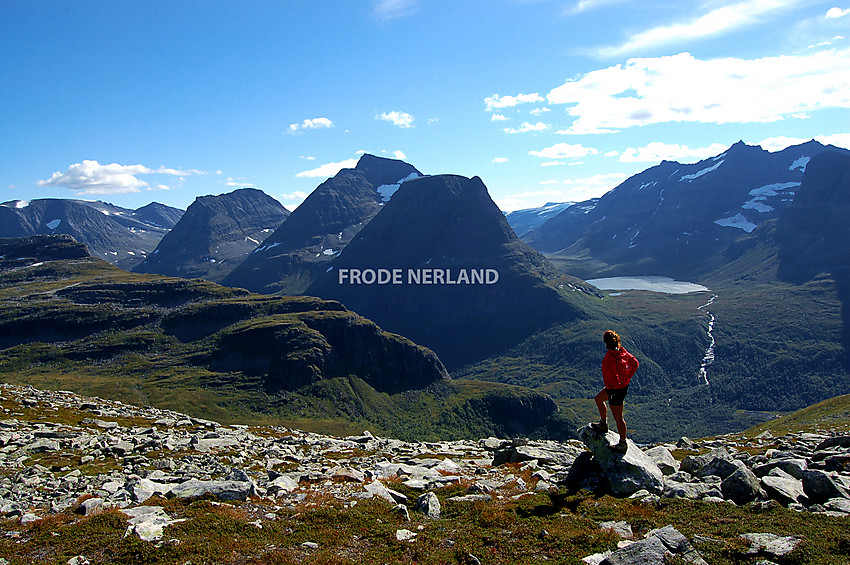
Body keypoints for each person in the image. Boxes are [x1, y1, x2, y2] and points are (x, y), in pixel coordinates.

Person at [591, 330, 639, 453]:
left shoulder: (609, 357)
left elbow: (612, 374)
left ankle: (622, 443)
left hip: (614, 390)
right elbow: (635, 363)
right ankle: (603, 424)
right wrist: (627, 378)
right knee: (598, 399)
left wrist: (616, 384)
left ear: (606, 342)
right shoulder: (622, 352)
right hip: (617, 388)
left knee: (618, 417)